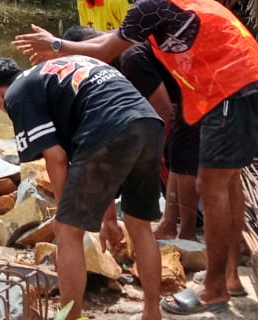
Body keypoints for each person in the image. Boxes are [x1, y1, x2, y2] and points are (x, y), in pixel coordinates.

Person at [14, 0, 258, 315]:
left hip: (230, 90)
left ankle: (215, 289)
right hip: (254, 81)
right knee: (228, 181)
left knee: (211, 185)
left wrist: (56, 45)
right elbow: (112, 40)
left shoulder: (152, 2)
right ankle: (230, 278)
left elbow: (106, 49)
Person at [0, 56, 169, 320]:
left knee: (66, 231)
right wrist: (108, 218)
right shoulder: (54, 72)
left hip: (109, 128)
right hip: (147, 122)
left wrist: (65, 213)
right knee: (140, 225)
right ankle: (153, 319)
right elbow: (95, 160)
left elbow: (57, 157)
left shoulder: (17, 94)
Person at [63, 26, 199, 242]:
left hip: (198, 95)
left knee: (178, 159)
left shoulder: (130, 56)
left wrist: (145, 155)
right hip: (186, 96)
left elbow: (163, 111)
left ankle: (187, 233)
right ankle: (170, 223)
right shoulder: (123, 54)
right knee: (174, 158)